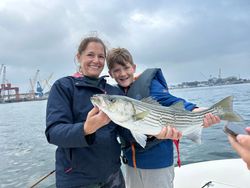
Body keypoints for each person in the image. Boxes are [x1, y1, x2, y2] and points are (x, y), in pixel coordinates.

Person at [106, 47, 221, 188]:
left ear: (134, 67)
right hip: (131, 164)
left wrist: (197, 111)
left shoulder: (151, 86)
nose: (122, 73)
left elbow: (172, 101)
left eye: (126, 68)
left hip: (157, 163)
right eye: (117, 70)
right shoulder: (117, 94)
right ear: (110, 74)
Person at [45, 37, 136, 188]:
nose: (96, 60)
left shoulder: (113, 92)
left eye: (101, 56)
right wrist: (86, 128)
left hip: (113, 176)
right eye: (90, 55)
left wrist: (153, 132)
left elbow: (124, 131)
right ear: (78, 57)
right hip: (76, 180)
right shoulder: (64, 87)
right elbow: (53, 133)